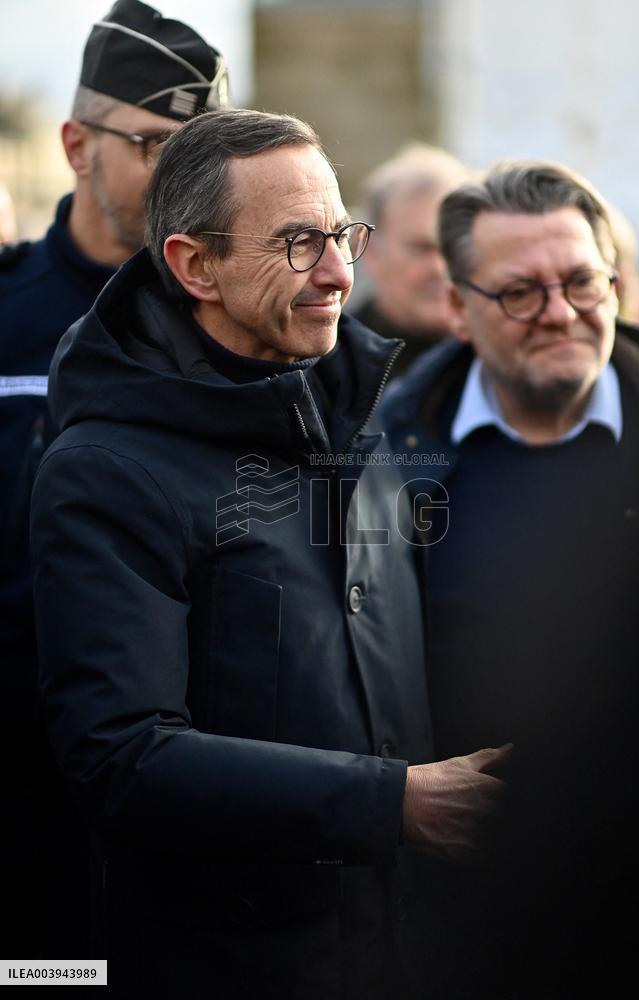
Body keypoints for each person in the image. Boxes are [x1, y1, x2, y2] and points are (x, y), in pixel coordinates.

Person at [30, 107, 509, 999]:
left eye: (341, 235)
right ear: (193, 265)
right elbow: (120, 759)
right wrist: (391, 803)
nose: (337, 272)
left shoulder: (354, 415)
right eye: (297, 243)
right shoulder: (105, 471)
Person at [381, 161, 639, 999]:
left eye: (580, 282)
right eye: (518, 292)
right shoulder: (378, 458)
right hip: (460, 920)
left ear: (615, 283)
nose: (559, 313)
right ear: (455, 308)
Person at [0, 0, 227, 958]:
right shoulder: (10, 313)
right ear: (75, 145)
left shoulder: (229, 328)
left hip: (196, 777)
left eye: (199, 152)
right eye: (153, 145)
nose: (181, 177)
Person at [351, 143, 469, 378]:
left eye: (452, 248)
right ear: (371, 251)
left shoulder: (501, 363)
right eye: (421, 249)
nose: (440, 268)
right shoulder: (326, 369)